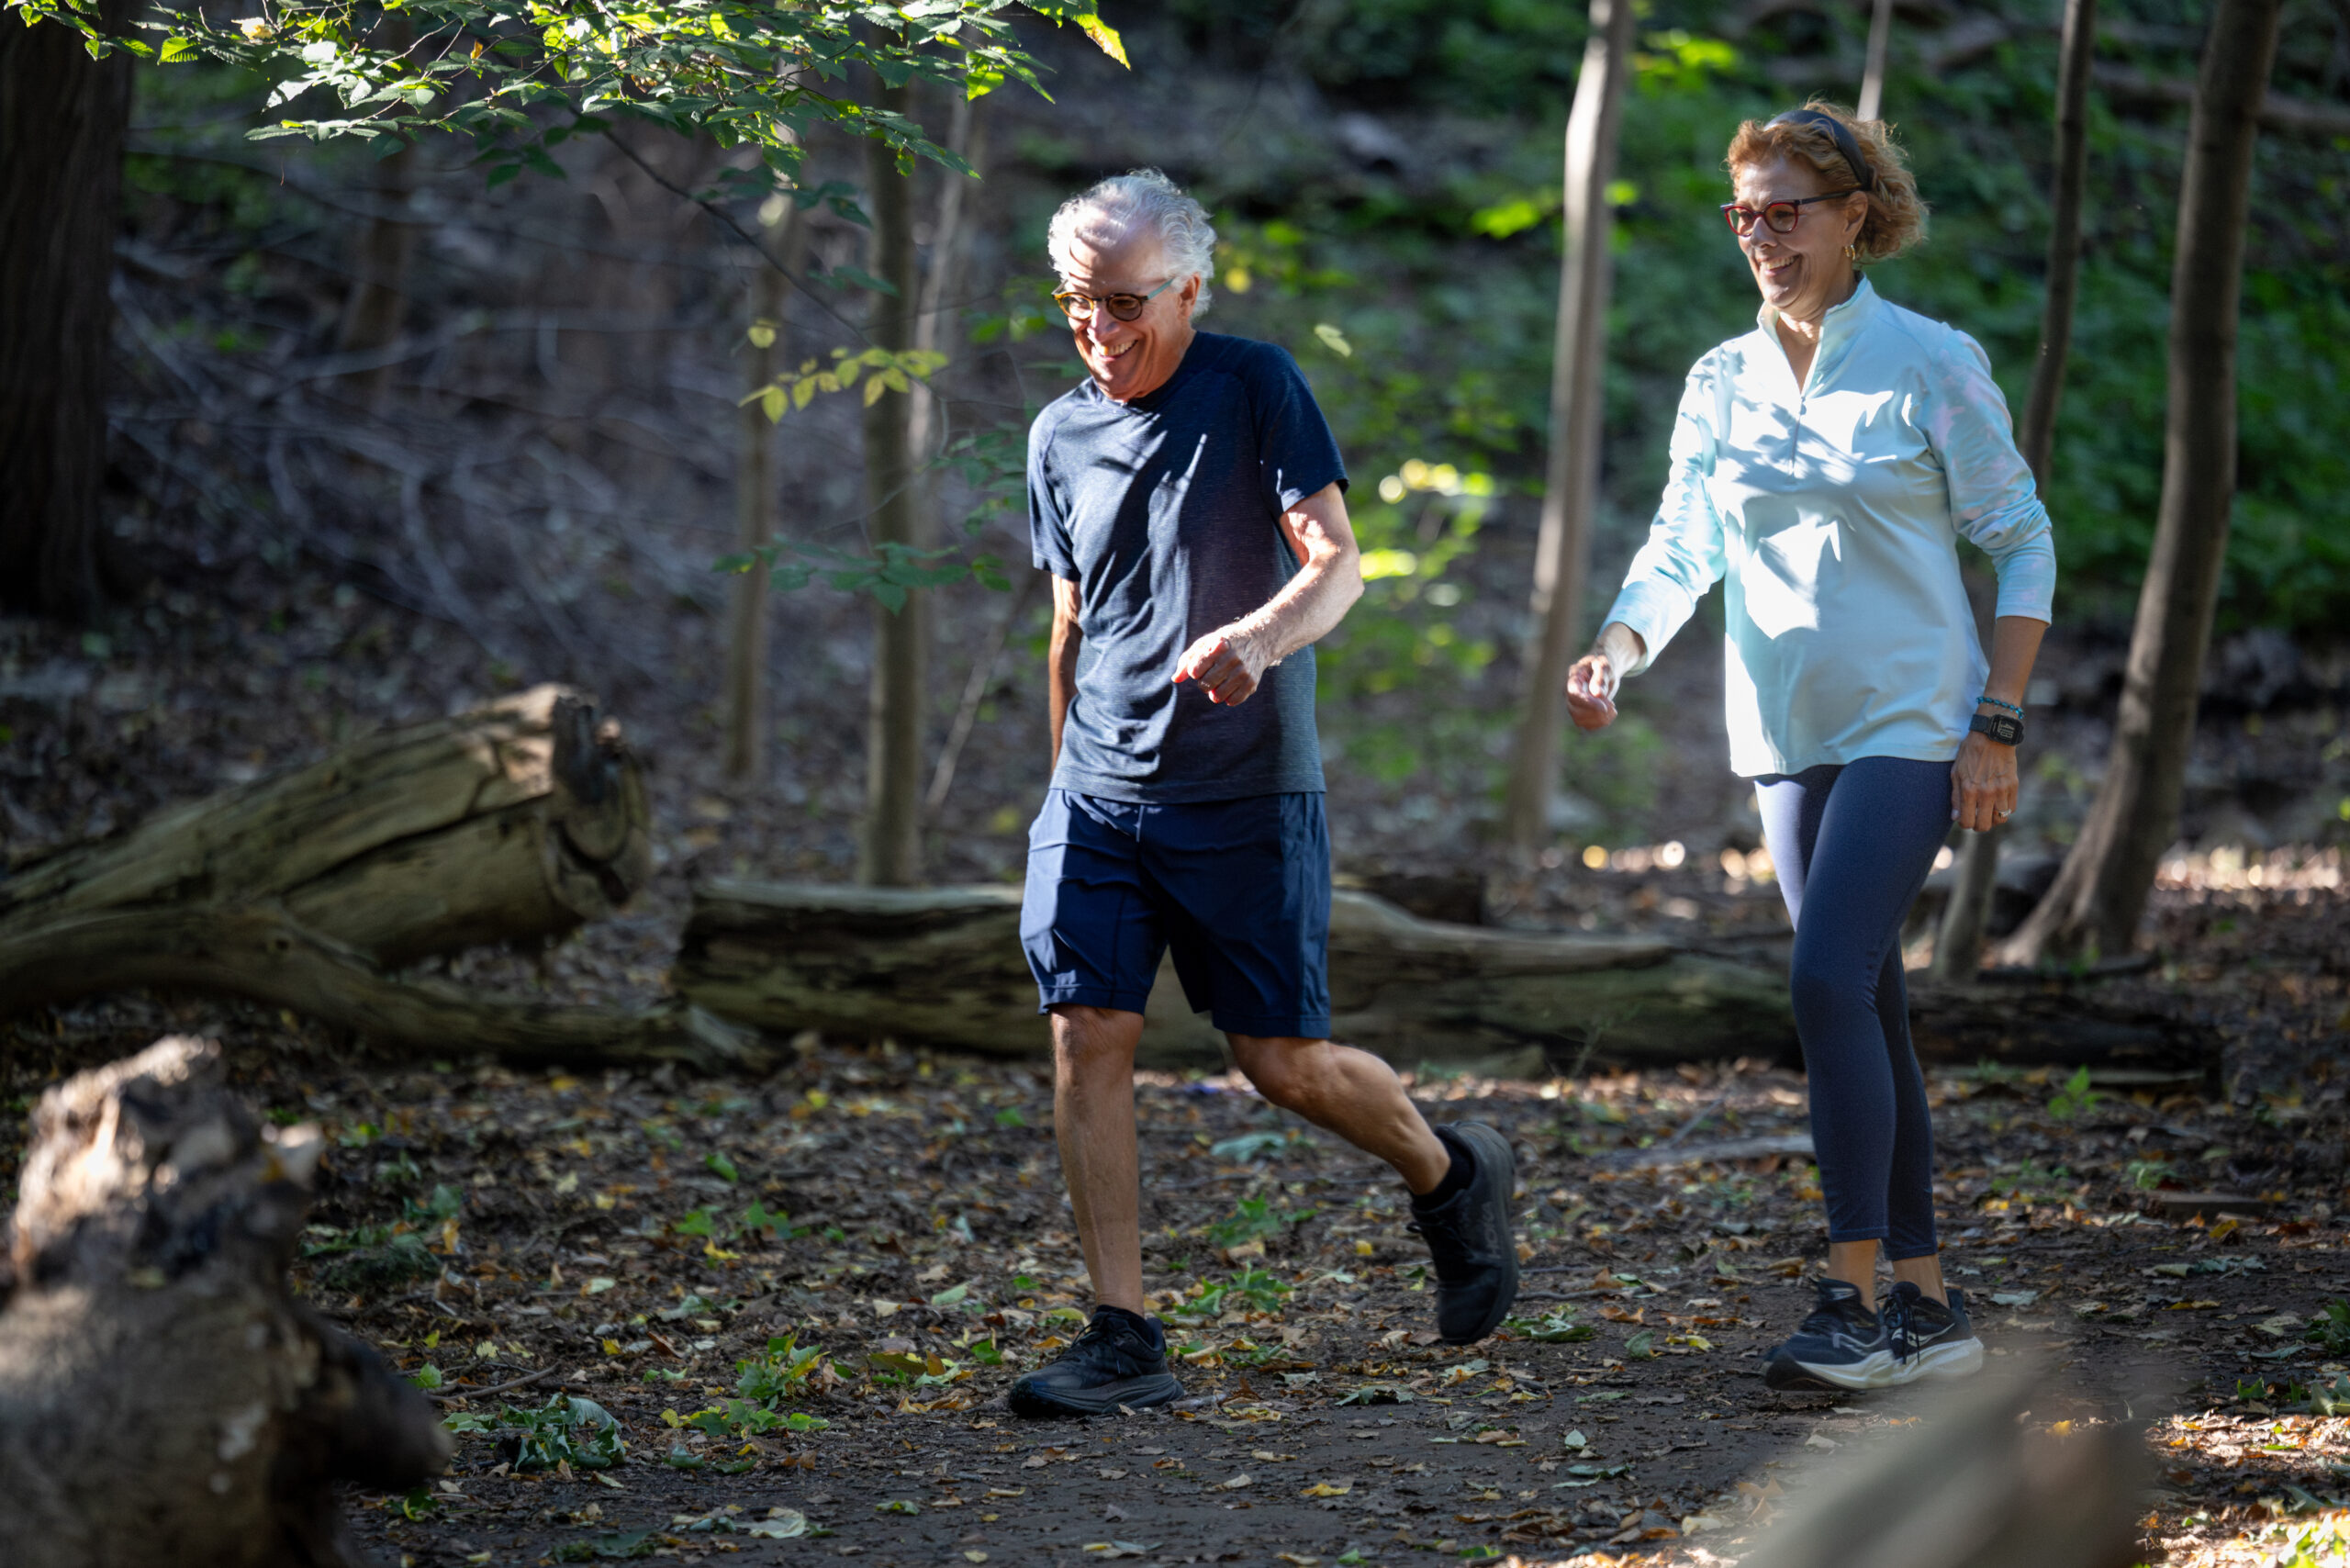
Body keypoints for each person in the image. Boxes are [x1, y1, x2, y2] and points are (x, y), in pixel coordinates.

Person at [1006, 169, 1521, 1418]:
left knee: (1282, 1062)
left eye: (1125, 302)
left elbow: (1339, 564)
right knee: (1086, 1034)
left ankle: (1451, 1173)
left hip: (1242, 789)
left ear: (1189, 289)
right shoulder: (1057, 434)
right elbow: (1069, 625)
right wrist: (1061, 783)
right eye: (1077, 301)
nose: (1098, 328)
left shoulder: (1254, 388)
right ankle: (1124, 1334)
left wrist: (1261, 637)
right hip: (1098, 795)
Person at [1564, 106, 2053, 1391]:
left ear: (1854, 216)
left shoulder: (1928, 361)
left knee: (1826, 983)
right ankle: (1932, 1310)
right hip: (1786, 731)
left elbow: (2022, 538)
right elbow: (1684, 542)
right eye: (1745, 214)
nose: (1762, 235)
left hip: (1915, 720)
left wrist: (1997, 720)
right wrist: (1619, 646)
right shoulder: (1720, 379)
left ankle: (1850, 1301)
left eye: (1787, 211)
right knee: (1868, 1004)